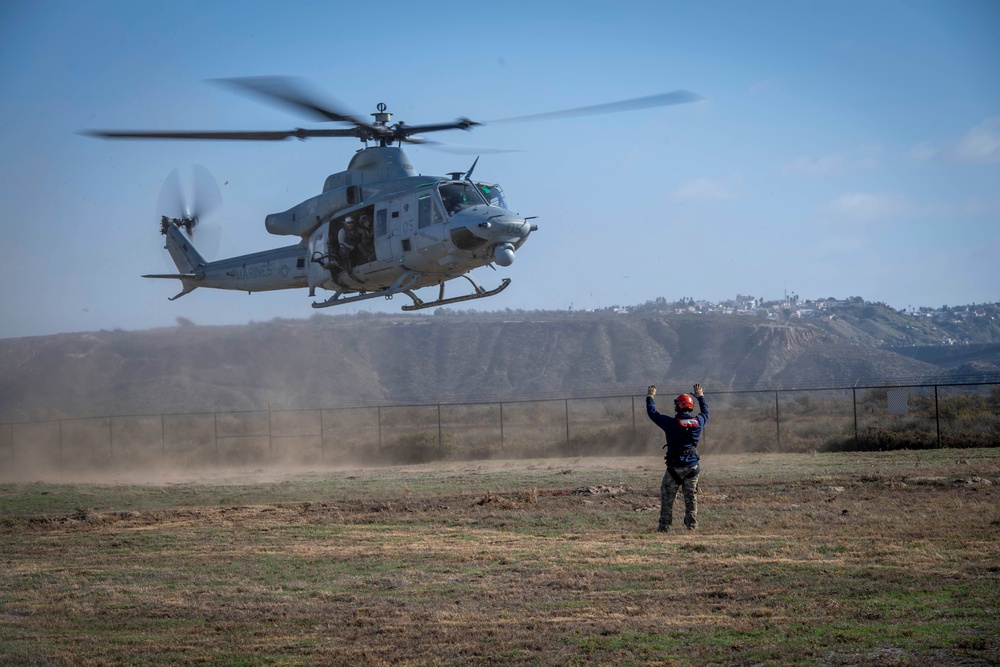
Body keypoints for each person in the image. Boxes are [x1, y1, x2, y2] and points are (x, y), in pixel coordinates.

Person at [646, 383, 708, 532]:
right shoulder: (697, 422)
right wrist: (700, 397)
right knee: (691, 499)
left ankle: (664, 527)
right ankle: (691, 526)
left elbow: (652, 413)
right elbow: (706, 413)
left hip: (675, 467)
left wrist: (650, 397)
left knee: (667, 498)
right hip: (692, 467)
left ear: (679, 406)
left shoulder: (671, 423)